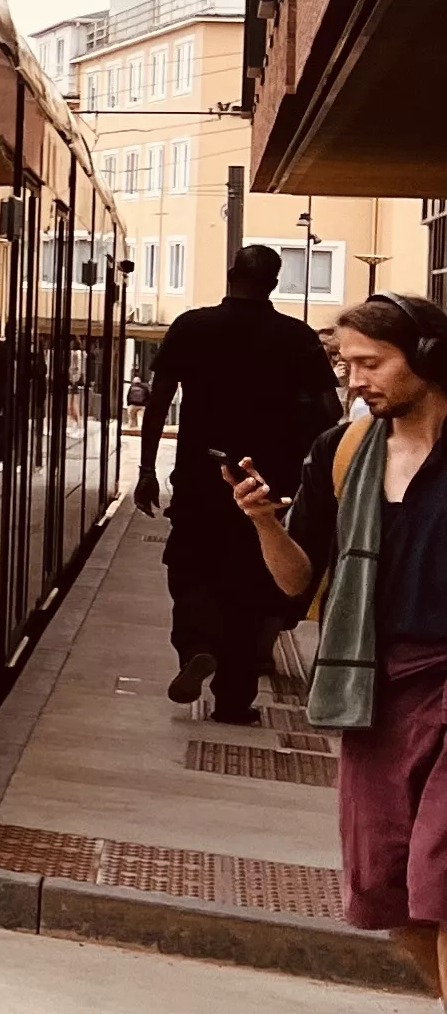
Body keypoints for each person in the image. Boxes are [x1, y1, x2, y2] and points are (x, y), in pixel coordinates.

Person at [229, 291, 447, 1014]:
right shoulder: (345, 448)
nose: (354, 382)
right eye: (345, 365)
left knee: (440, 876)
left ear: (426, 352)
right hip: (372, 686)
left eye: (371, 364)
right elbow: (295, 582)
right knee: (391, 898)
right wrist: (261, 521)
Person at [139, 245, 345, 722]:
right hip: (265, 485)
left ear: (231, 275)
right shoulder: (296, 337)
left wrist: (147, 469)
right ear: (273, 284)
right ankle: (234, 700)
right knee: (250, 585)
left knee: (190, 568)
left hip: (198, 478)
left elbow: (158, 402)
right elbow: (329, 413)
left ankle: (194, 645)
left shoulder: (192, 326)